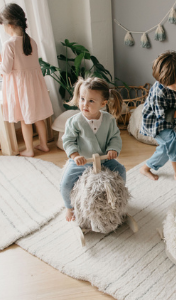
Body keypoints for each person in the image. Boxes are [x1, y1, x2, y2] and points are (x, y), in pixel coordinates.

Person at [60, 77, 125, 222]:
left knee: (121, 171)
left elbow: (115, 137)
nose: (84, 104)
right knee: (65, 184)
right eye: (82, 99)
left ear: (103, 103)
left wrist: (112, 149)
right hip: (82, 160)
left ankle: (119, 199)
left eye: (91, 101)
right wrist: (75, 155)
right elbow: (68, 140)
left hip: (104, 159)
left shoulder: (109, 120)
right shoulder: (74, 121)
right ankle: (69, 208)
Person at [0, 3, 53, 157]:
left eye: (3, 26)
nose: (4, 30)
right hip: (35, 84)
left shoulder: (9, 45)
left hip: (21, 87)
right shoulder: (31, 41)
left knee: (25, 119)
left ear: (11, 25)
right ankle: (44, 144)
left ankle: (29, 149)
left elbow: (6, 69)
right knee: (38, 116)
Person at [138, 50, 176, 185]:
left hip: (169, 121)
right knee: (175, 141)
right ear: (162, 81)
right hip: (155, 123)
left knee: (166, 149)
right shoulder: (158, 91)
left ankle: (145, 168)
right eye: (173, 83)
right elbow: (162, 114)